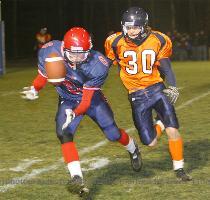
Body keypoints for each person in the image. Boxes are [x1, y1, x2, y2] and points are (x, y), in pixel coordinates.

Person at [21, 27, 142, 199]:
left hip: (91, 99)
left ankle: (133, 148)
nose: (77, 58)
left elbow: (86, 101)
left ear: (89, 49)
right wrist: (35, 88)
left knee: (113, 134)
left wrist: (75, 113)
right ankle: (76, 177)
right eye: (73, 53)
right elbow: (44, 74)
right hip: (67, 98)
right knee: (64, 133)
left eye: (81, 53)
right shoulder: (50, 51)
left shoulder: (97, 65)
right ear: (63, 49)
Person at [104, 7, 192, 181]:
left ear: (144, 26)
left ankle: (179, 168)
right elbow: (106, 64)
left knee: (173, 129)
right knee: (150, 143)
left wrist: (172, 85)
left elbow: (165, 64)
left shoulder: (158, 39)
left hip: (156, 88)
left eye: (135, 27)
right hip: (136, 96)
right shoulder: (114, 42)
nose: (132, 31)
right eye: (128, 27)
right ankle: (159, 123)